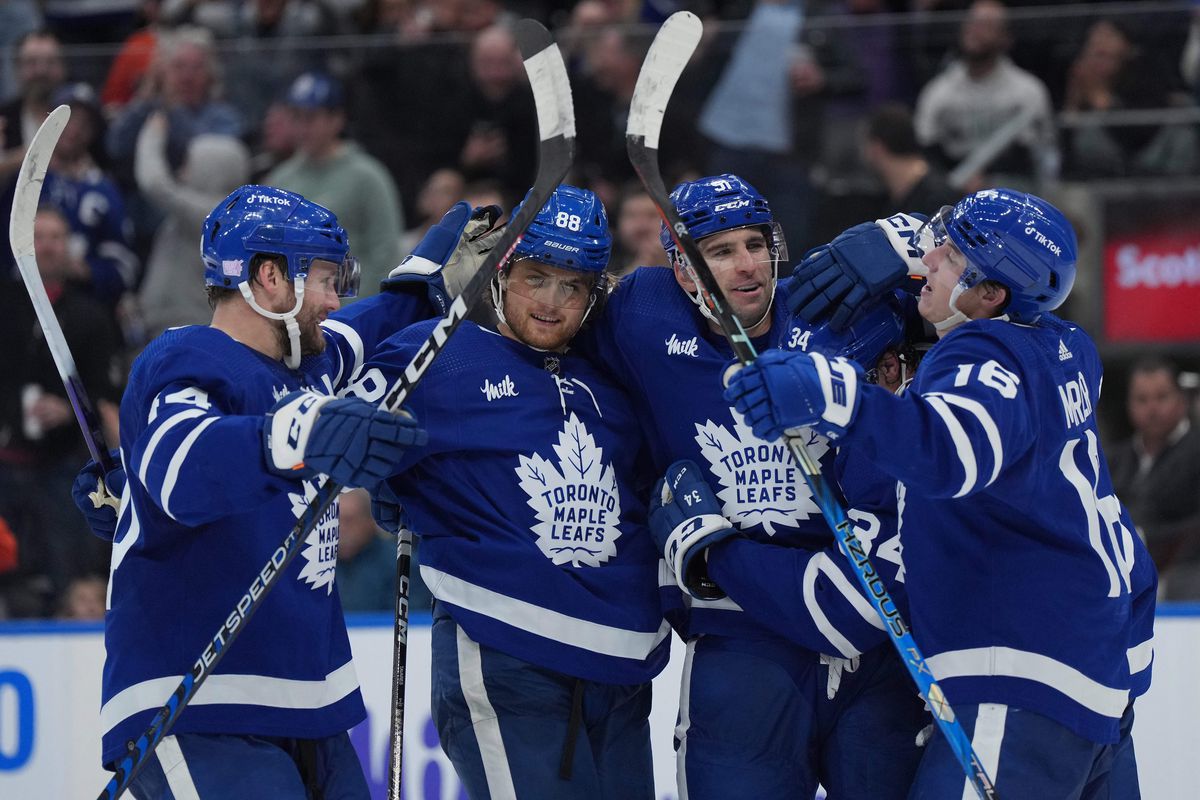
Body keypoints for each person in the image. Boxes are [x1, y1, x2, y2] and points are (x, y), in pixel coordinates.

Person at [725, 188, 1157, 797]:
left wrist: (832, 393)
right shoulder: (1066, 349)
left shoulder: (986, 352)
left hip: (1016, 678)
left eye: (949, 256)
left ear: (989, 294)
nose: (926, 260)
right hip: (1095, 685)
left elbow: (950, 452)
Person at [578, 174, 927, 799]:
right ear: (683, 270)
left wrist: (901, 236)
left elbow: (977, 281)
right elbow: (537, 340)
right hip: (741, 639)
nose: (747, 266)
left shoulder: (838, 312)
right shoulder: (641, 313)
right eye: (720, 251)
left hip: (871, 630)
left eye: (755, 244)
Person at [79, 185, 435, 799]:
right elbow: (178, 466)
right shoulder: (186, 355)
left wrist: (429, 273)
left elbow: (370, 322)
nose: (334, 298)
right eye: (324, 279)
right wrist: (300, 432)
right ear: (268, 277)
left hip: (308, 706)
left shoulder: (311, 361)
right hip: (197, 703)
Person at [352, 185, 670, 799]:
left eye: (572, 286)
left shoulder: (610, 377)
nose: (552, 303)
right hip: (507, 658)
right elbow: (324, 407)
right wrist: (405, 299)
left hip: (621, 672)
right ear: (499, 272)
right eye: (535, 277)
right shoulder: (440, 356)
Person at [266, 70, 404, 298]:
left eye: (310, 118)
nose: (302, 127)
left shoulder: (367, 176)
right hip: (293, 306)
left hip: (348, 303)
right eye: (296, 117)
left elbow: (384, 252)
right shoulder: (281, 178)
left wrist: (358, 308)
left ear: (336, 119)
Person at [913, 0, 1059, 188]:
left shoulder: (1028, 92)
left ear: (1006, 38)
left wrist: (990, 180)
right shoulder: (939, 92)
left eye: (986, 25)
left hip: (1012, 188)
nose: (975, 31)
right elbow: (925, 147)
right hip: (953, 187)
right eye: (972, 23)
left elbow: (1044, 153)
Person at [1109, 356, 1200, 598]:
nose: (1152, 408)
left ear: (1182, 400)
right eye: (1142, 399)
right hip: (1122, 575)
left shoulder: (1195, 451)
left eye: (1161, 397)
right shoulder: (1114, 460)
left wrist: (1146, 537)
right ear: (1129, 405)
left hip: (1185, 575)